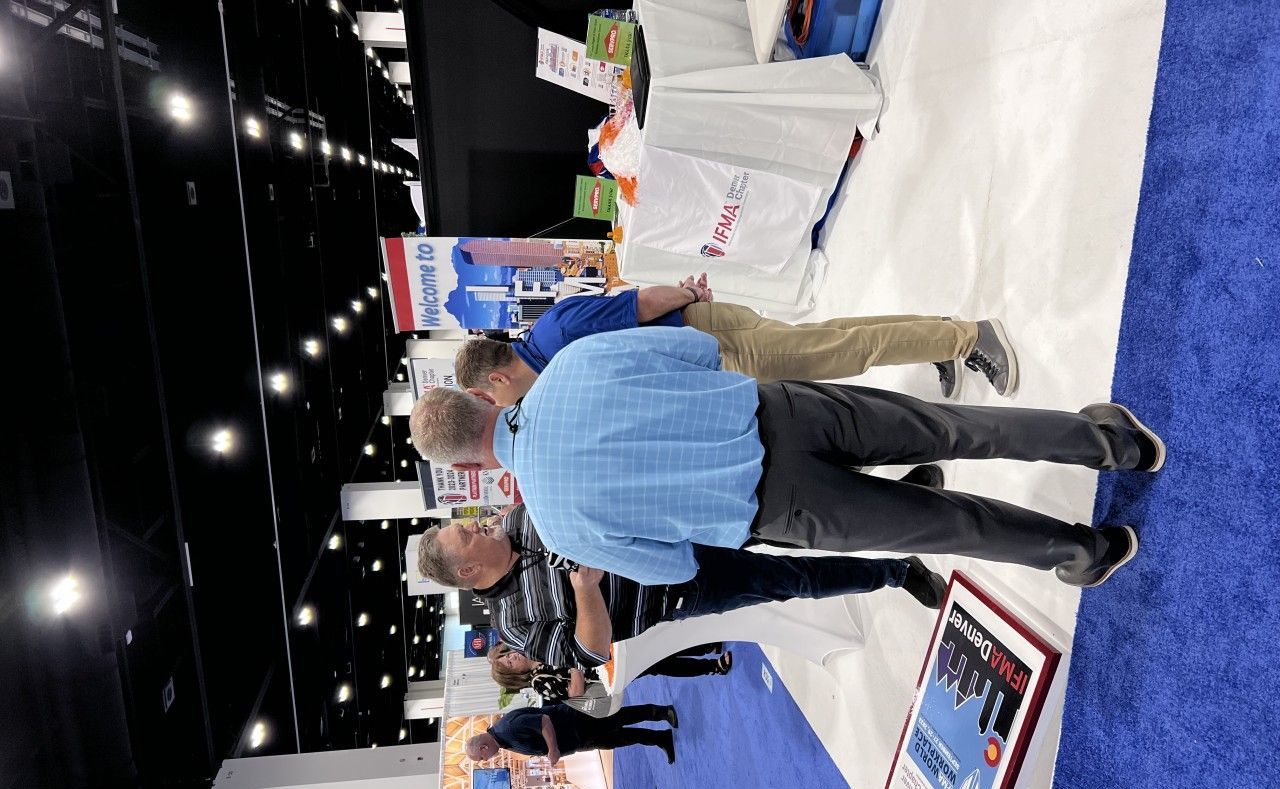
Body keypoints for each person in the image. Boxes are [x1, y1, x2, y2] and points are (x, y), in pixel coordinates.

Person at [409, 326, 1165, 589]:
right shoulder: (571, 366)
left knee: (946, 527)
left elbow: (675, 566)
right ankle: (1109, 443)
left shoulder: (561, 526)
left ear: (470, 473)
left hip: (780, 511)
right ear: (484, 399)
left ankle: (1081, 548)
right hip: (783, 412)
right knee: (953, 426)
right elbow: (697, 349)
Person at [414, 503, 947, 672]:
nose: (479, 524)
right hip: (685, 590)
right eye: (468, 534)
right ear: (466, 572)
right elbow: (589, 653)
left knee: (794, 518)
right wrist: (585, 588)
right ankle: (899, 572)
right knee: (795, 580)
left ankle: (897, 505)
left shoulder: (526, 517)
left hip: (683, 524)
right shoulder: (513, 622)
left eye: (469, 522)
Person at [453, 274, 1015, 403]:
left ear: (495, 377)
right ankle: (941, 335)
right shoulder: (550, 347)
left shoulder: (557, 335)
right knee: (832, 338)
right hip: (707, 344)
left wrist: (689, 297)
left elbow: (640, 304)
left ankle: (968, 338)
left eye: (488, 398)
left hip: (714, 342)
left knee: (842, 352)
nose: (497, 406)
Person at [487, 642, 733, 704]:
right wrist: (575, 666)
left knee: (657, 651)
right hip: (606, 670)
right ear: (514, 677)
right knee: (659, 665)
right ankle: (712, 668)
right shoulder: (540, 683)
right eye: (508, 664)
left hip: (603, 652)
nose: (511, 658)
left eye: (506, 656)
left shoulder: (534, 651)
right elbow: (575, 693)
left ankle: (707, 647)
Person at [466, 703, 679, 765]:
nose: (486, 760)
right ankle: (660, 738)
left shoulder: (507, 728)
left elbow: (543, 721)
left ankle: (661, 712)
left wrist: (553, 749)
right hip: (577, 738)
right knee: (620, 738)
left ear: (483, 748)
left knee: (619, 719)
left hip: (575, 722)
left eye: (482, 758)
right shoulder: (503, 738)